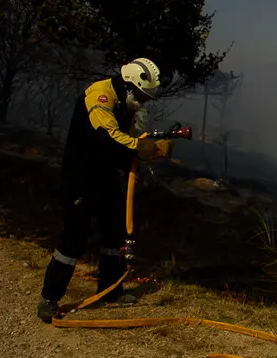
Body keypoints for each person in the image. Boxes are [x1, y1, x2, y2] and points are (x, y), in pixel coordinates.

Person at [37, 57, 174, 323]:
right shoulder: (99, 95)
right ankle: (49, 298)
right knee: (74, 237)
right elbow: (108, 137)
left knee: (114, 233)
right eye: (142, 97)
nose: (143, 103)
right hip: (80, 178)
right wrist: (140, 148)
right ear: (129, 85)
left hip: (106, 176)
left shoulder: (125, 103)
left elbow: (129, 139)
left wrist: (148, 148)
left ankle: (110, 290)